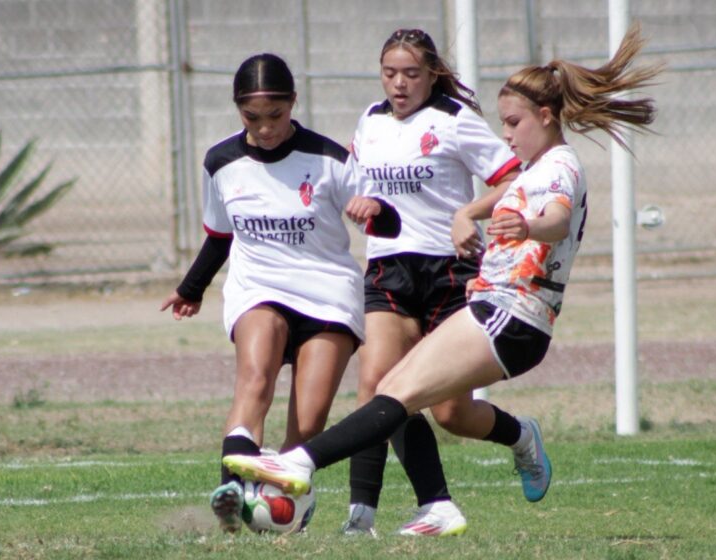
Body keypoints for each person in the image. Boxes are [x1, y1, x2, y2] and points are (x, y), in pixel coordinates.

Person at [222, 24, 661, 528]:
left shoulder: (549, 163)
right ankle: (388, 509)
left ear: (544, 116)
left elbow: (556, 217)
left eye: (513, 123)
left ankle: (303, 462)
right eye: (389, 73)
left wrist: (513, 223)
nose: (505, 134)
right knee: (390, 387)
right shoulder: (376, 123)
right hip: (428, 281)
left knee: (430, 404)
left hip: (494, 303)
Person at [160, 53, 400, 534]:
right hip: (260, 286)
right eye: (252, 117)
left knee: (307, 426)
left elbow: (389, 224)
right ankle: (232, 488)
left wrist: (373, 206)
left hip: (328, 293)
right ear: (237, 111)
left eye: (276, 115)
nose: (266, 128)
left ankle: (285, 509)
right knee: (254, 380)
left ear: (293, 103)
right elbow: (220, 235)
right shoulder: (221, 162)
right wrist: (193, 288)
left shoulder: (329, 159)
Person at [340, 28, 521, 537]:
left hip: (449, 271)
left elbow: (512, 180)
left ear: (432, 74)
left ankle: (521, 437)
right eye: (390, 73)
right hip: (389, 268)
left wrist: (469, 211)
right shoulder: (371, 122)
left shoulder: (454, 121)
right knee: (377, 388)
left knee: (450, 412)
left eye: (411, 74)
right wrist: (366, 207)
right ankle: (363, 518)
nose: (399, 84)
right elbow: (363, 193)